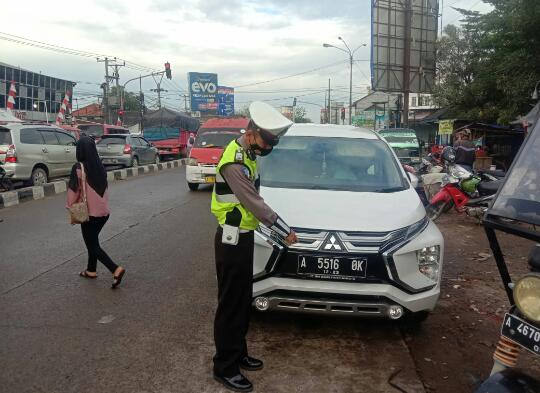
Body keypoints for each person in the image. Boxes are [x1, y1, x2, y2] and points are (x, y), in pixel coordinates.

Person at [211, 101, 298, 392]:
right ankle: (224, 365)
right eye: (267, 140)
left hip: (243, 236)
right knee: (230, 304)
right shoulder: (234, 161)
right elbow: (254, 202)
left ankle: (239, 352)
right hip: (231, 239)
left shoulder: (248, 154)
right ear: (251, 133)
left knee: (242, 298)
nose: (269, 147)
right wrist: (283, 229)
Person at [67, 136, 126, 289]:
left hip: (89, 215)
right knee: (93, 241)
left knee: (92, 245)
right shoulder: (100, 166)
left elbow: (73, 191)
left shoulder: (78, 168)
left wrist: (71, 207)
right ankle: (91, 270)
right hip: (104, 214)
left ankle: (115, 269)